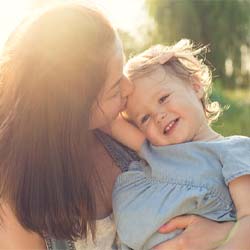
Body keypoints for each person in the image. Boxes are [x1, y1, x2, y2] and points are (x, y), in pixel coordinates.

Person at [0, 2, 235, 250]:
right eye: (114, 88)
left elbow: (208, 163)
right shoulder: (16, 200)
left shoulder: (127, 132)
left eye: (122, 67)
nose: (128, 88)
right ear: (74, 112)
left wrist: (227, 233)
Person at [109, 39, 250, 250]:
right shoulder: (153, 151)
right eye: (144, 118)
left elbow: (247, 221)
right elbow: (105, 118)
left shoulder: (233, 151)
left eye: (163, 98)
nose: (158, 116)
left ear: (196, 86)